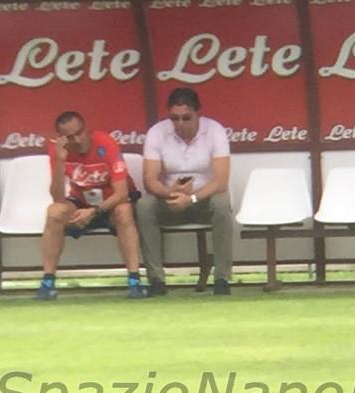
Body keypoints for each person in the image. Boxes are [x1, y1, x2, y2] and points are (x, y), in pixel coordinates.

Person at [37, 111, 148, 300]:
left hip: (111, 202)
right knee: (54, 212)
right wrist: (61, 161)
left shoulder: (105, 143)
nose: (78, 140)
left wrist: (94, 212)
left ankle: (134, 280)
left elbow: (122, 193)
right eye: (70, 137)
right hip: (81, 201)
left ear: (86, 129)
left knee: (124, 211)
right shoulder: (58, 150)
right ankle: (47, 282)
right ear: (62, 138)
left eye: (80, 133)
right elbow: (58, 198)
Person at [136, 88, 233, 296]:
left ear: (198, 113)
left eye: (186, 118)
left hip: (203, 199)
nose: (180, 124)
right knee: (144, 205)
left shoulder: (215, 130)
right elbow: (149, 180)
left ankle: (222, 278)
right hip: (171, 199)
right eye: (175, 118)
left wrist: (192, 198)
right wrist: (169, 192)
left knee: (222, 203)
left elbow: (221, 181)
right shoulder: (157, 132)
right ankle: (156, 279)